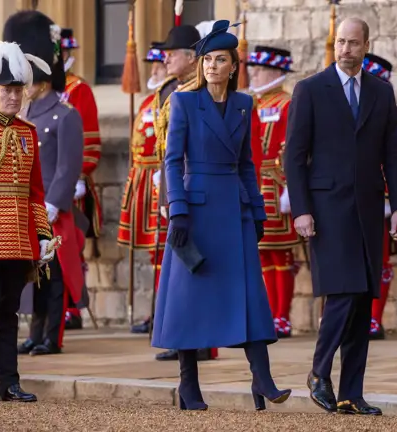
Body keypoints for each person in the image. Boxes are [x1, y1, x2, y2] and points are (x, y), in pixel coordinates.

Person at [151, 20, 291, 411]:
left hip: (234, 209)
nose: (212, 66)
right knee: (188, 299)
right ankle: (188, 386)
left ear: (234, 66)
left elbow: (247, 163)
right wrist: (177, 211)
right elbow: (172, 161)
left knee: (248, 294)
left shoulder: (246, 104)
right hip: (193, 214)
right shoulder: (182, 101)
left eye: (221, 60)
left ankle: (262, 379)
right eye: (207, 59)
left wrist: (258, 210)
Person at [284, 17, 397, 415]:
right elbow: (294, 156)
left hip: (370, 209)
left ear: (366, 45)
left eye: (353, 43)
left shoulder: (381, 92)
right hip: (325, 209)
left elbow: (394, 154)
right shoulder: (310, 90)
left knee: (362, 299)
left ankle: (351, 393)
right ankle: (319, 372)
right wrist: (301, 209)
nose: (345, 50)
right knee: (342, 291)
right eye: (340, 43)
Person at [0, 40, 56, 402]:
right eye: (7, 90)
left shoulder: (27, 133)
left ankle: (7, 381)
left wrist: (43, 235)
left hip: (18, 237)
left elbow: (35, 191)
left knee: (9, 310)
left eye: (18, 90)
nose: (14, 97)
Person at [4, 11, 85, 357]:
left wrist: (53, 204)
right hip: (28, 206)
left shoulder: (65, 115)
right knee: (31, 278)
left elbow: (69, 166)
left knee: (54, 279)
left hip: (53, 209)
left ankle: (53, 335)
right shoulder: (26, 115)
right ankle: (35, 333)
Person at [150, 24, 216, 362]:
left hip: (194, 183)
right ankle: (183, 337)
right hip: (172, 182)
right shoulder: (168, 89)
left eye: (172, 53)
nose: (166, 58)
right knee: (178, 266)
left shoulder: (200, 93)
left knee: (195, 264)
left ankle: (201, 339)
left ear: (192, 59)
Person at [248, 45, 299, 338]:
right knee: (263, 253)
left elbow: (292, 146)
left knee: (282, 254)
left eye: (259, 69)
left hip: (277, 185)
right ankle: (270, 313)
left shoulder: (287, 104)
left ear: (276, 72)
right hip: (257, 183)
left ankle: (283, 315)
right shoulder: (252, 103)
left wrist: (290, 185)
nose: (253, 74)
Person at [119, 42, 170, 335]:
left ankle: (162, 311)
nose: (154, 71)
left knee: (162, 248)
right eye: (152, 66)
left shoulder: (169, 99)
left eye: (159, 65)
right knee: (153, 252)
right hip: (142, 178)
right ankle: (154, 312)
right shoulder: (145, 102)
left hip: (158, 178)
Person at [360, 52, 397, 340]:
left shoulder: (391, 119)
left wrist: (394, 202)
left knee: (379, 260)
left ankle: (375, 318)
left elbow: (395, 161)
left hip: (379, 198)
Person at [59, 28, 102, 331]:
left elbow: (90, 138)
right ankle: (56, 304)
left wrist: (81, 172)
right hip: (48, 181)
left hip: (72, 180)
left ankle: (73, 307)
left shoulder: (79, 90)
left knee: (72, 245)